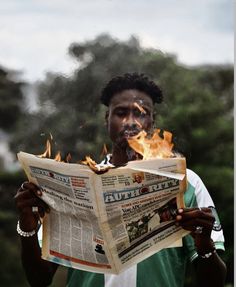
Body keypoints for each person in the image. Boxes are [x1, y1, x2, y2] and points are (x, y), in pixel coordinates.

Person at [15, 73, 226, 287]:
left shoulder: (186, 182)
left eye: (141, 113)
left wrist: (205, 246)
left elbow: (215, 282)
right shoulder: (75, 184)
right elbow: (39, 279)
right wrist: (27, 227)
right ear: (107, 119)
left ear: (153, 121)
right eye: (121, 113)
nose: (130, 122)